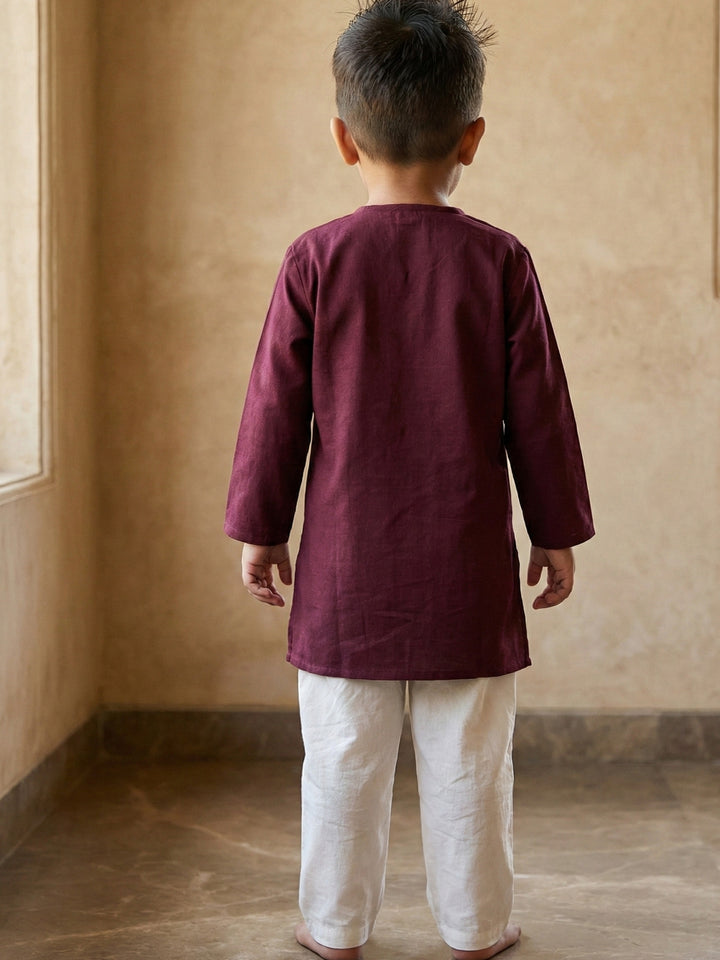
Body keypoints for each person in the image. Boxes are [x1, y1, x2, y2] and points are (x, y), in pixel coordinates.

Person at [224, 1, 594, 957]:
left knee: (341, 761)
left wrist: (262, 526)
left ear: (343, 138)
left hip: (345, 572)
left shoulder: (316, 259)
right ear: (473, 135)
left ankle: (334, 927)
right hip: (465, 567)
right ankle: (474, 928)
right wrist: (553, 529)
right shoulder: (500, 260)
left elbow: (274, 409)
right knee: (471, 761)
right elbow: (540, 413)